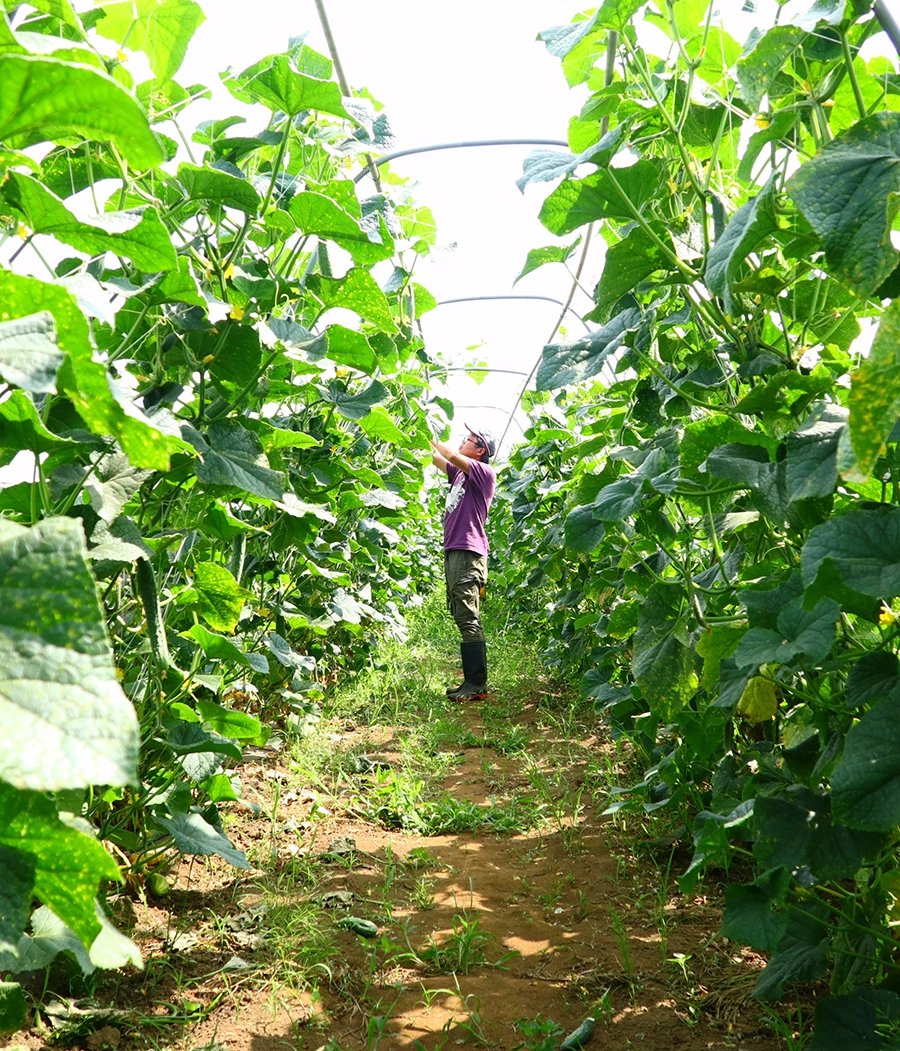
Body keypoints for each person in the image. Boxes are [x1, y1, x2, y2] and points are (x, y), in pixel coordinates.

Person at [430, 422, 498, 701]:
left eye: (469, 439)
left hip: (469, 552)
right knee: (461, 614)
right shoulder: (460, 474)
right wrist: (420, 438)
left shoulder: (484, 472)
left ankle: (477, 684)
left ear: (481, 450)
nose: (462, 441)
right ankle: (471, 681)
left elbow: (447, 453)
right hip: (456, 550)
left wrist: (431, 434)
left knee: (468, 616)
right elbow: (436, 457)